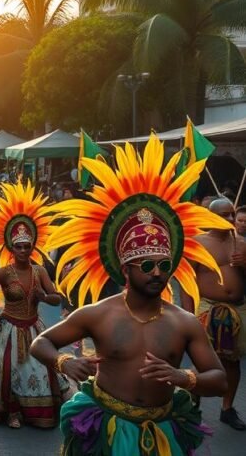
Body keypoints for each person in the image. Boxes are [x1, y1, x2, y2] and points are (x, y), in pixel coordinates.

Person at [30, 136, 229, 455]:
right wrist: (64, 362)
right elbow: (40, 342)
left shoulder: (184, 322)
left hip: (163, 430)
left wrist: (183, 376)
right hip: (106, 430)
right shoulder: (99, 314)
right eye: (147, 265)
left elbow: (219, 379)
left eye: (164, 265)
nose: (157, 272)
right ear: (125, 268)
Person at [0, 181, 69, 429]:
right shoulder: (4, 272)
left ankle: (37, 411)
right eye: (19, 246)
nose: (24, 250)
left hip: (34, 328)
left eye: (28, 246)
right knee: (8, 372)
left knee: (36, 371)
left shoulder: (39, 271)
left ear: (33, 246)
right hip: (9, 330)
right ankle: (12, 412)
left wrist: (43, 297)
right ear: (11, 248)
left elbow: (57, 297)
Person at [183, 197, 246, 429]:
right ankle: (192, 405)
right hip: (207, 309)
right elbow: (187, 283)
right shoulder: (197, 244)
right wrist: (189, 317)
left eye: (232, 214)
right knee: (203, 362)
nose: (230, 219)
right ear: (209, 217)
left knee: (232, 362)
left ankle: (227, 409)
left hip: (238, 311)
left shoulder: (241, 243)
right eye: (224, 215)